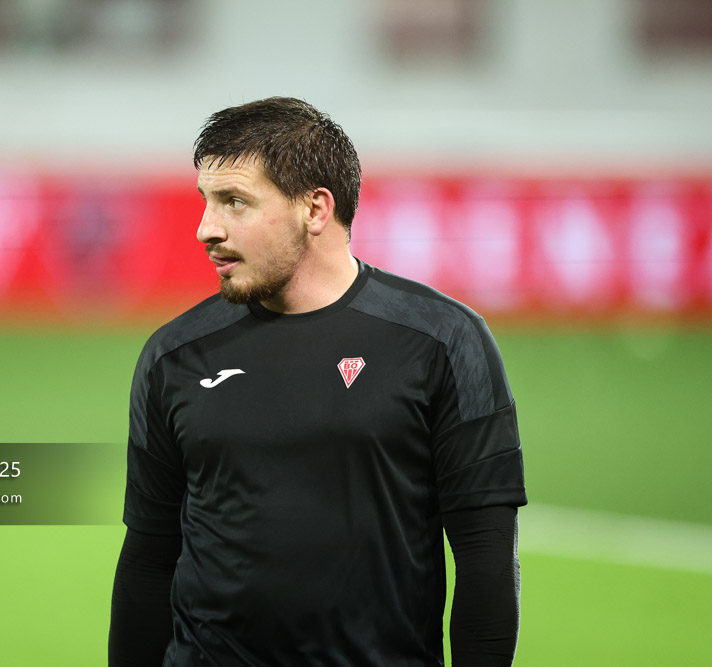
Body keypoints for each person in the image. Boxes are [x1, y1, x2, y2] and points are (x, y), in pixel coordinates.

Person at [109, 97, 527, 667]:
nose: (206, 229)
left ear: (315, 209)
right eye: (206, 202)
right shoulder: (173, 355)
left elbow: (485, 557)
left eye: (234, 202)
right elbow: (149, 557)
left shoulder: (445, 341)